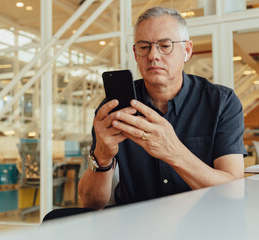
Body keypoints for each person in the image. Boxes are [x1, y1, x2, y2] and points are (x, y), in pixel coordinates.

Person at [78, 6, 247, 210]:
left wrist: (174, 153)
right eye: (144, 47)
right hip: (134, 226)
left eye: (165, 45)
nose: (153, 55)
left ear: (187, 50)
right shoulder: (113, 110)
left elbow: (234, 189)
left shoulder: (222, 102)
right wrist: (102, 157)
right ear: (135, 53)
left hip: (203, 223)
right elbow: (90, 203)